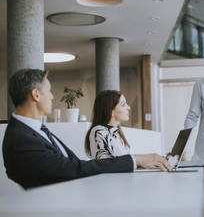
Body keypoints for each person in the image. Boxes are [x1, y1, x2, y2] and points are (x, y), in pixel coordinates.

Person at [2, 69, 171, 190]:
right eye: (49, 91)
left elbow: (72, 166)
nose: (53, 96)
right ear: (36, 95)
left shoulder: (34, 130)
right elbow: (71, 169)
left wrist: (139, 161)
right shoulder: (21, 139)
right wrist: (136, 160)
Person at [86, 90, 146, 160]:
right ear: (111, 110)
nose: (128, 107)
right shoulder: (99, 131)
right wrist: (141, 160)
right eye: (123, 104)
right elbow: (106, 163)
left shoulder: (117, 132)